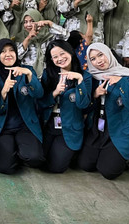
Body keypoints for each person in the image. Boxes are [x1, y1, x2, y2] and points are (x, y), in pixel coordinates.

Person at [78, 43, 129, 180]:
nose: (98, 61)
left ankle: (123, 157)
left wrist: (121, 83)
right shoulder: (91, 77)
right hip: (97, 129)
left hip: (120, 129)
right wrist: (94, 95)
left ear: (109, 54)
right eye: (93, 59)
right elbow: (84, 107)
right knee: (85, 165)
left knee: (108, 171)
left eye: (100, 55)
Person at [0, 39, 46, 174]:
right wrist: (3, 91)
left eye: (11, 50)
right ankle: (11, 151)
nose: (8, 54)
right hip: (3, 128)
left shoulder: (26, 71)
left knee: (35, 158)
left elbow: (39, 94)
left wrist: (29, 75)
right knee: (5, 168)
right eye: (3, 52)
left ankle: (20, 151)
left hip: (25, 125)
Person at [38, 40, 92, 173]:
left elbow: (84, 104)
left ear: (70, 52)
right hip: (50, 125)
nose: (60, 59)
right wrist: (55, 92)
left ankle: (73, 154)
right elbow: (41, 103)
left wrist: (79, 80)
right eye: (55, 57)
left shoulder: (85, 76)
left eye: (62, 54)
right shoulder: (48, 74)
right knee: (37, 159)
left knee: (56, 167)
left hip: (70, 128)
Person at [16, 9, 69, 78]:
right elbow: (17, 56)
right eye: (25, 22)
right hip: (28, 76)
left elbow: (66, 35)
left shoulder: (49, 35)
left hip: (49, 75)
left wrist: (49, 23)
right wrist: (28, 38)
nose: (28, 24)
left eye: (32, 21)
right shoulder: (20, 37)